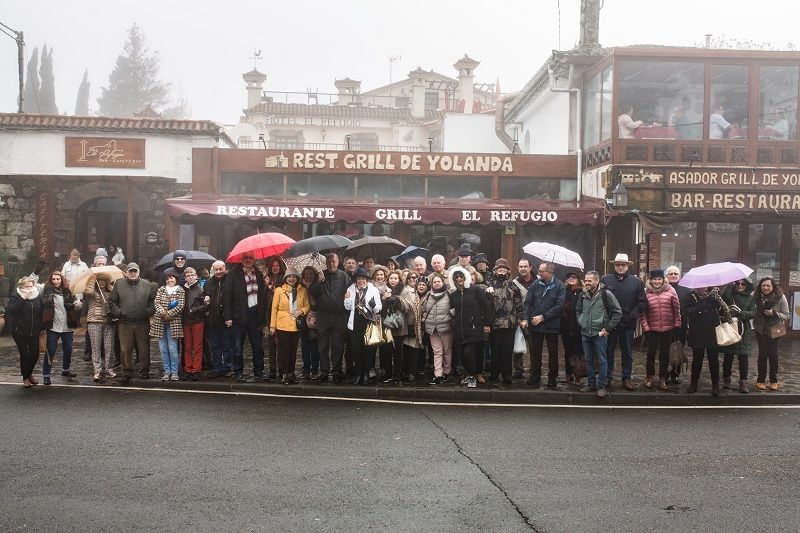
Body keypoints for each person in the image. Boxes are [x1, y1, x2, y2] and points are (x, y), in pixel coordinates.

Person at [602, 253, 647, 390]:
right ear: (614, 266)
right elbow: (601, 301)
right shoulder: (605, 279)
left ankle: (626, 378)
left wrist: (633, 315)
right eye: (618, 265)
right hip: (610, 324)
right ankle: (607, 377)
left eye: (623, 265)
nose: (620, 267)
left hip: (628, 323)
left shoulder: (636, 281)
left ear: (628, 266)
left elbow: (642, 302)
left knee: (627, 353)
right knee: (608, 352)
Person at [108, 262, 156, 383]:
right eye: (131, 271)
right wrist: (119, 312)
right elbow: (112, 302)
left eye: (135, 271)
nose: (133, 273)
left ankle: (144, 370)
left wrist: (148, 312)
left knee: (144, 348)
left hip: (143, 322)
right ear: (127, 272)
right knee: (125, 349)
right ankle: (127, 371)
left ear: (139, 272)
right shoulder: (119, 284)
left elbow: (153, 302)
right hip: (124, 323)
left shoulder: (147, 285)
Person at [576, 271, 622, 398]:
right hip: (585, 332)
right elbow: (578, 309)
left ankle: (601, 386)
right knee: (588, 359)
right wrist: (581, 321)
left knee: (602, 360)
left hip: (600, 333)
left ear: (597, 281)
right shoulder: (583, 294)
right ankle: (591, 385)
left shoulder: (606, 294)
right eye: (586, 280)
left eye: (589, 281)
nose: (587, 283)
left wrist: (608, 328)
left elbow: (617, 312)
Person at [522, 261, 566, 388]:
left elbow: (559, 306)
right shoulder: (536, 284)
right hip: (535, 323)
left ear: (550, 272)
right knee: (535, 352)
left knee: (553, 353)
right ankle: (535, 375)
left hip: (552, 324)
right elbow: (528, 302)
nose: (539, 273)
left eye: (542, 271)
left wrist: (543, 317)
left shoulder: (560, 286)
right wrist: (525, 318)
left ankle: (552, 377)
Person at [225, 253, 267, 382]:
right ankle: (238, 371)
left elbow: (263, 298)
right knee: (237, 347)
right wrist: (228, 316)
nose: (248, 260)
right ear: (241, 259)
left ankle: (258, 372)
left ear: (254, 260)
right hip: (239, 316)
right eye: (245, 258)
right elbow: (227, 296)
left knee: (258, 346)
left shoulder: (259, 274)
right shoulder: (233, 273)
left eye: (250, 258)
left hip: (255, 315)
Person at [309, 253, 350, 383]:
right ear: (326, 263)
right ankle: (324, 371)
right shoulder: (321, 275)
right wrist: (319, 282)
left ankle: (337, 372)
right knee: (323, 345)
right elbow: (313, 293)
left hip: (339, 316)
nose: (332, 264)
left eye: (334, 261)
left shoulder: (344, 276)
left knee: (338, 346)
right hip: (323, 316)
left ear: (338, 262)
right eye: (329, 262)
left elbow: (350, 293)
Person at [685, 285, 731, 396]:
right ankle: (694, 383)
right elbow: (686, 309)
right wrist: (697, 310)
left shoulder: (715, 295)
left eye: (704, 285)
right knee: (697, 359)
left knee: (713, 360)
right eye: (700, 285)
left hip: (712, 331)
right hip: (697, 331)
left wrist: (718, 303)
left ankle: (715, 384)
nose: (702, 287)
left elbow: (724, 311)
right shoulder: (691, 295)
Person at [640, 269, 681, 390]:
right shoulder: (645, 292)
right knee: (651, 354)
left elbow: (677, 310)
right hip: (652, 329)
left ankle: (663, 378)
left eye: (659, 279)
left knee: (664, 354)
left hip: (668, 329)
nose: (657, 281)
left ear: (663, 279)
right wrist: (646, 328)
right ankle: (650, 377)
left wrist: (677, 325)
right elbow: (642, 314)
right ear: (650, 280)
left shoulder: (671, 291)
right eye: (654, 279)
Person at [449, 269, 490, 388]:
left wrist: (487, 324)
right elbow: (452, 311)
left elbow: (486, 306)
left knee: (469, 353)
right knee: (462, 354)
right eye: (456, 277)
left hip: (473, 327)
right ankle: (469, 373)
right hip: (459, 329)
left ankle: (473, 376)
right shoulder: (454, 294)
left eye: (460, 276)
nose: (458, 279)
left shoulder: (475, 290)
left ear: (465, 277)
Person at [485, 260, 523, 385]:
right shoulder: (489, 283)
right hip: (494, 323)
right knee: (495, 349)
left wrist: (520, 319)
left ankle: (507, 374)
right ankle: (494, 372)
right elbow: (485, 303)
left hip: (509, 324)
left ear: (508, 270)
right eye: (499, 268)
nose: (501, 269)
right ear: (495, 270)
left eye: (504, 268)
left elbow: (519, 304)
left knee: (507, 350)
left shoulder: (513, 285)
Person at [270, 268, 309, 385]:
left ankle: (292, 373)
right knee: (285, 350)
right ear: (285, 279)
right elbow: (274, 309)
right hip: (282, 325)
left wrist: (301, 311)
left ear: (297, 278)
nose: (291, 279)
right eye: (289, 277)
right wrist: (272, 326)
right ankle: (285, 374)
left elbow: (307, 306)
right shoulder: (279, 291)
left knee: (293, 351)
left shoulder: (302, 290)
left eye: (294, 277)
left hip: (296, 325)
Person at [41, 271, 81, 384]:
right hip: (53, 327)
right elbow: (32, 283)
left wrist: (78, 303)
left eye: (58, 279)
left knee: (68, 349)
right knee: (51, 351)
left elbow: (76, 305)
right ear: (50, 280)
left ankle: (65, 369)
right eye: (53, 279)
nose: (55, 281)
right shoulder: (46, 290)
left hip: (67, 327)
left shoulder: (68, 291)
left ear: (61, 280)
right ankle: (46, 374)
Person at [344, 267, 382, 385]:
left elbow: (378, 308)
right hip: (354, 323)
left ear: (367, 280)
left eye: (363, 279)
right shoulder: (350, 289)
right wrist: (347, 299)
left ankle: (365, 374)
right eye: (359, 279)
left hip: (368, 323)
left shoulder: (373, 290)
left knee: (368, 350)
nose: (361, 281)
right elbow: (347, 307)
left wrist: (373, 305)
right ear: (356, 280)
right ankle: (359, 374)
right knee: (356, 350)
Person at [752, 276, 789, 391]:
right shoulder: (755, 296)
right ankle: (760, 380)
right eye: (763, 285)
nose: (766, 288)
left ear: (773, 287)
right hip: (760, 329)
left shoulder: (780, 297)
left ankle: (773, 381)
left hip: (774, 330)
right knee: (762, 354)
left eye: (768, 285)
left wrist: (774, 313)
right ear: (760, 286)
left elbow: (786, 315)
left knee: (773, 355)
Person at [8, 277, 44, 388]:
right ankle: (25, 378)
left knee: (35, 353)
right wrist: (23, 298)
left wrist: (41, 326)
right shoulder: (16, 296)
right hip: (19, 331)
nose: (29, 288)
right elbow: (12, 310)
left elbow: (41, 311)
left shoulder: (37, 296)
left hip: (34, 330)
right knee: (25, 354)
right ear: (21, 287)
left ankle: (29, 374)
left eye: (31, 286)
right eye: (26, 286)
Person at [721, 278, 756, 393]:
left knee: (743, 357)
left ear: (747, 285)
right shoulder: (730, 294)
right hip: (730, 328)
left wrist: (741, 313)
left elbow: (754, 313)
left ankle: (743, 382)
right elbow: (722, 299)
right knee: (728, 356)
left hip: (744, 330)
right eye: (737, 283)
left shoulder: (751, 297)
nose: (740, 286)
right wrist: (729, 285)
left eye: (743, 284)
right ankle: (726, 380)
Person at [151, 272, 185, 381]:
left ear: (176, 279)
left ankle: (174, 372)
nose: (169, 280)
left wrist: (169, 314)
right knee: (163, 349)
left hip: (173, 323)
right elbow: (156, 303)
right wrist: (163, 314)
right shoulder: (161, 289)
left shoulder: (180, 290)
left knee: (172, 349)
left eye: (172, 278)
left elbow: (181, 305)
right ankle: (166, 372)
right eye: (167, 279)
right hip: (160, 322)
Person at [84, 273, 117, 382]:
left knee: (109, 347)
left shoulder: (109, 291)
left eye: (104, 280)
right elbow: (88, 292)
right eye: (100, 280)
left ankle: (109, 368)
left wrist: (112, 286)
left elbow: (116, 298)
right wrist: (93, 279)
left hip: (108, 322)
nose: (102, 282)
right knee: (96, 347)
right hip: (94, 321)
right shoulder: (92, 292)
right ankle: (97, 371)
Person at [204, 260, 233, 378]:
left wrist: (230, 317)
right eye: (215, 270)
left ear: (225, 268)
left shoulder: (230, 281)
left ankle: (227, 368)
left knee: (227, 345)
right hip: (212, 320)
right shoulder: (208, 282)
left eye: (220, 269)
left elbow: (233, 300)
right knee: (215, 346)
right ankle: (217, 368)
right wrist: (205, 299)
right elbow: (203, 296)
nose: (218, 272)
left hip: (226, 319)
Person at [381, 270, 409, 384]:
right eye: (391, 278)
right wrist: (384, 299)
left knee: (398, 351)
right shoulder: (383, 290)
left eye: (396, 278)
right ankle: (388, 373)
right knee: (386, 351)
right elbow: (379, 309)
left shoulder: (404, 290)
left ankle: (397, 374)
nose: (393, 280)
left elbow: (408, 308)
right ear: (388, 279)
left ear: (399, 279)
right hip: (386, 325)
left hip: (399, 325)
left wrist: (397, 300)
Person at [424, 273, 453, 384]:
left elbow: (454, 308)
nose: (436, 283)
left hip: (446, 327)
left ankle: (446, 372)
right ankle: (438, 374)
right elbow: (424, 309)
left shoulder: (448, 294)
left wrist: (449, 317)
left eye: (438, 281)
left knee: (447, 351)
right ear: (432, 284)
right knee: (437, 352)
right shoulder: (428, 295)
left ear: (442, 283)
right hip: (432, 328)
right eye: (434, 282)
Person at [665, 265, 691, 383]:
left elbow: (689, 308)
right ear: (666, 276)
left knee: (678, 350)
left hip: (681, 325)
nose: (674, 275)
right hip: (665, 325)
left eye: (676, 273)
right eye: (671, 274)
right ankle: (664, 373)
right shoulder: (662, 288)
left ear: (679, 276)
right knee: (665, 350)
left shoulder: (686, 290)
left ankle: (675, 374)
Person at [511, 258, 536, 379]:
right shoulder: (514, 282)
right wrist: (519, 318)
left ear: (530, 267)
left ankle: (534, 370)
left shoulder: (538, 281)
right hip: (520, 318)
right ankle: (518, 369)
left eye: (525, 266)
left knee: (534, 346)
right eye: (521, 266)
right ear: (517, 268)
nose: (523, 269)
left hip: (535, 318)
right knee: (518, 345)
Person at [182, 267, 208, 381]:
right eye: (187, 275)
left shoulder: (200, 289)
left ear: (196, 276)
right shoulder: (182, 289)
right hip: (185, 322)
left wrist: (194, 310)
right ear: (185, 277)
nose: (190, 277)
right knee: (187, 347)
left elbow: (206, 305)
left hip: (197, 321)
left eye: (192, 275)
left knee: (198, 347)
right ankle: (188, 369)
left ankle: (196, 369)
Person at [404, 278, 428, 382]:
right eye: (419, 285)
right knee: (409, 349)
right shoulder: (411, 295)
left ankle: (413, 372)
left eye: (423, 285)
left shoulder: (429, 296)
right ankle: (408, 371)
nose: (421, 286)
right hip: (411, 326)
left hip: (424, 327)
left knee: (418, 350)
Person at [560, 272, 583, 384]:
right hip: (566, 326)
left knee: (577, 352)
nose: (571, 279)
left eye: (574, 277)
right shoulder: (564, 291)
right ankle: (568, 374)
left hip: (578, 327)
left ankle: (578, 375)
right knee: (568, 351)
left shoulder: (582, 292)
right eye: (569, 277)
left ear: (578, 280)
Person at [299, 266, 320, 380]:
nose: (308, 276)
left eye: (311, 273)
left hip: (314, 320)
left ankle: (315, 369)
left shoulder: (317, 286)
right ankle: (306, 368)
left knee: (314, 346)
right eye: (306, 274)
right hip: (302, 319)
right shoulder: (299, 286)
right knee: (304, 346)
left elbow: (318, 303)